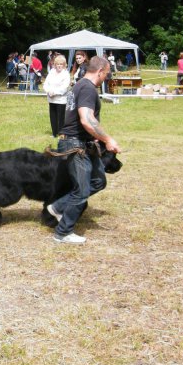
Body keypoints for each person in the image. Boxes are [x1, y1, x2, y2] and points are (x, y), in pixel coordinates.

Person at [46, 56, 121, 244]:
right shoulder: (87, 88)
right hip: (75, 145)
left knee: (98, 180)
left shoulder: (80, 84)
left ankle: (58, 207)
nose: (108, 75)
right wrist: (107, 139)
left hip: (83, 143)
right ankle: (62, 233)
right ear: (101, 70)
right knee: (82, 190)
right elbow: (86, 119)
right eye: (107, 72)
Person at [42, 54, 71, 138]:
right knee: (53, 117)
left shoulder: (66, 74)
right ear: (55, 64)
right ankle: (54, 133)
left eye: (61, 64)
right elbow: (46, 84)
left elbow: (65, 87)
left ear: (64, 65)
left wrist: (54, 92)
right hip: (51, 99)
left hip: (61, 100)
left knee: (61, 118)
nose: (59, 66)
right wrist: (48, 91)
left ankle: (61, 133)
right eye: (57, 64)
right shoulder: (51, 72)